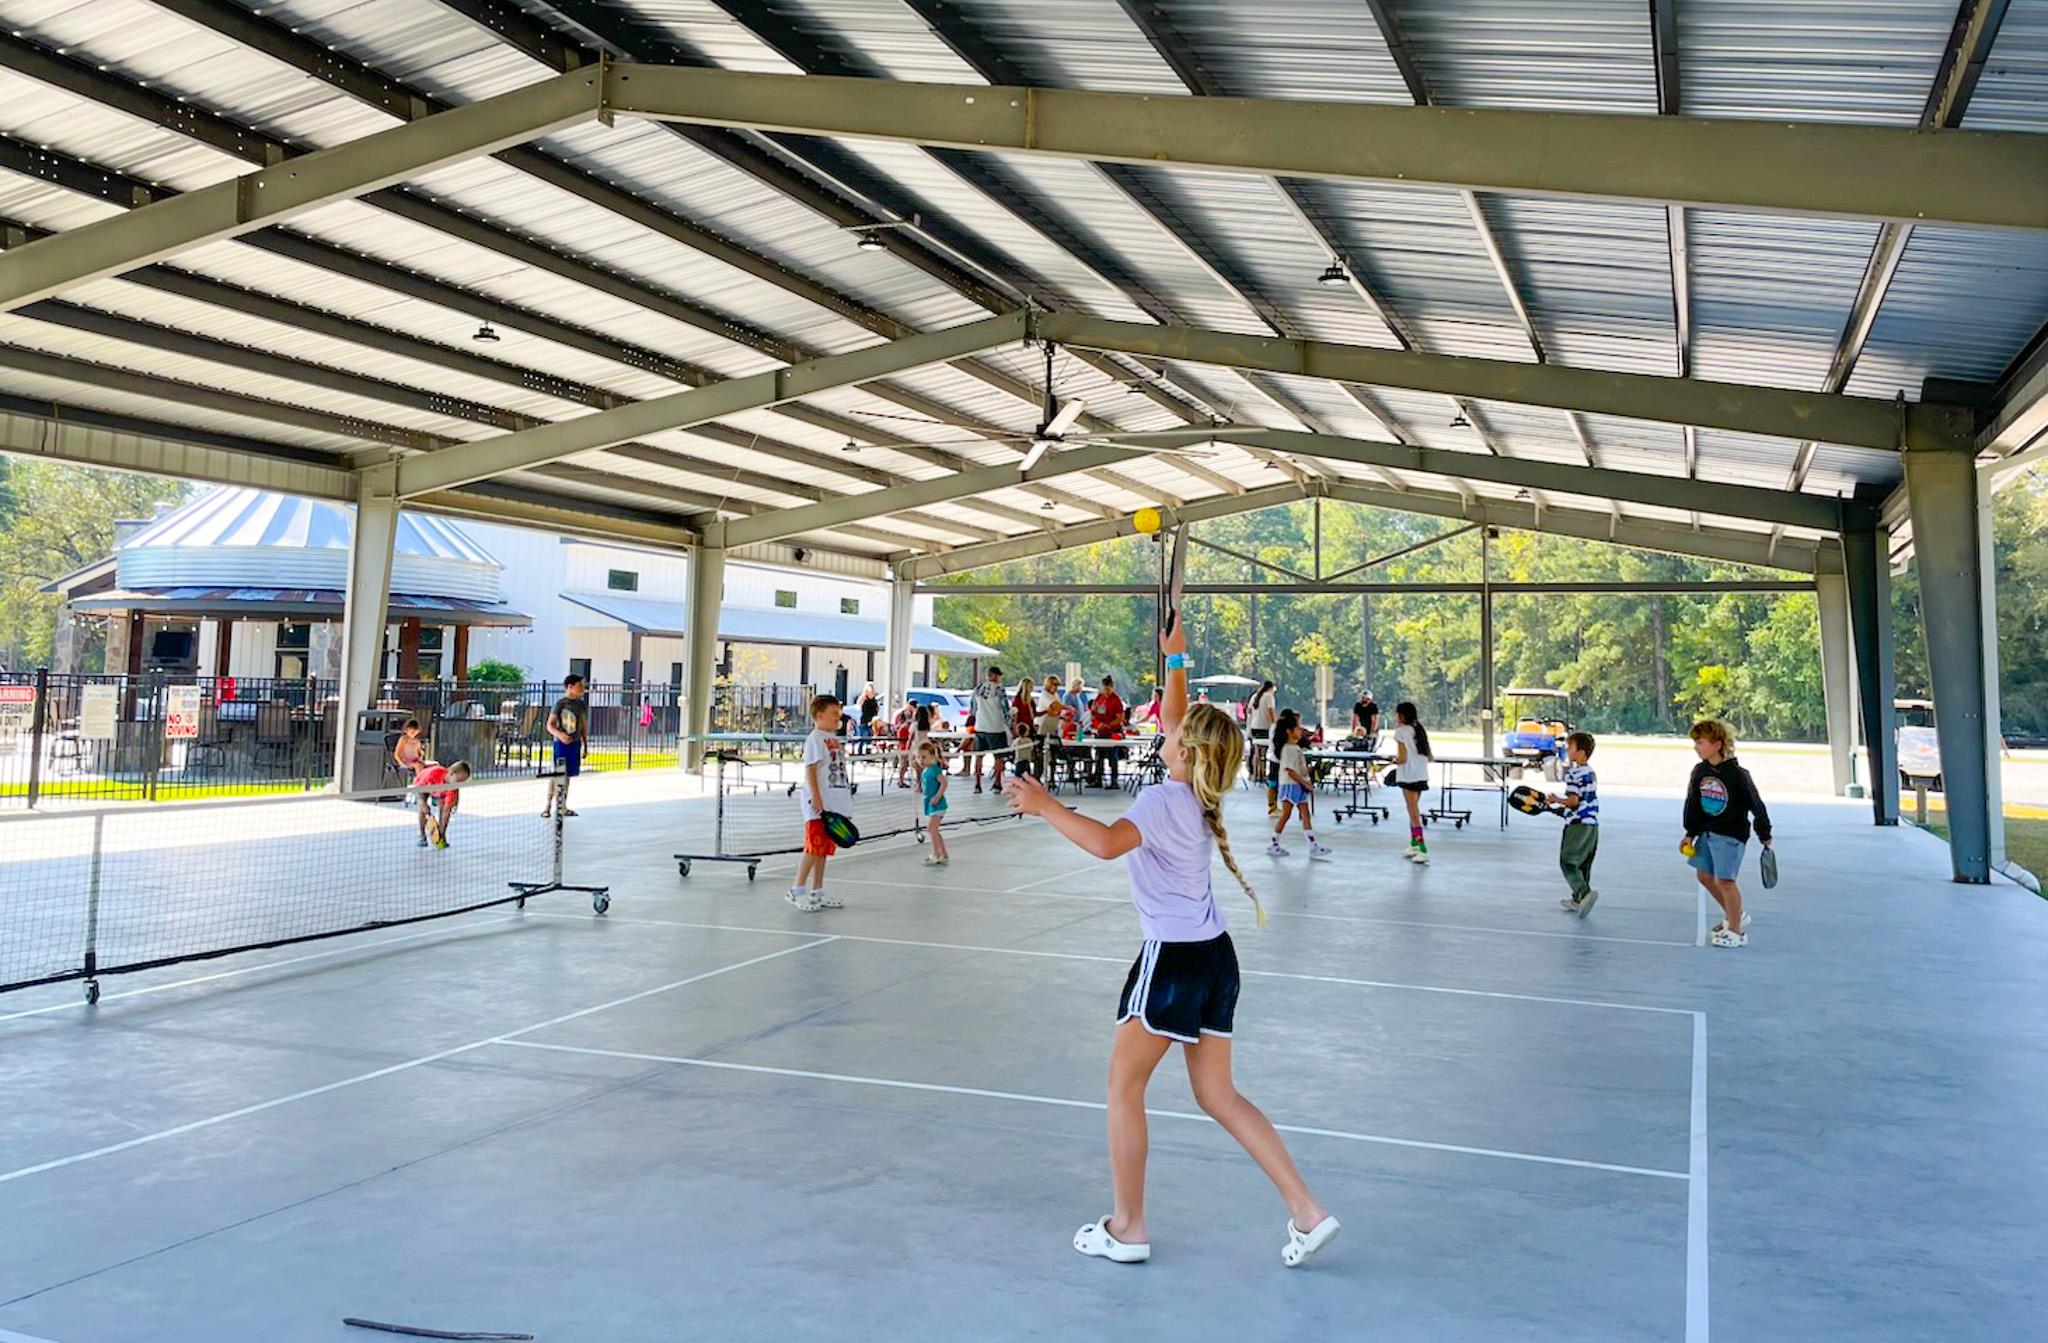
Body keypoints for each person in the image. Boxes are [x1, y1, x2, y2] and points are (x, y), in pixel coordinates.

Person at [1004, 616, 1338, 1270]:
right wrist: (1176, 659)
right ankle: (1307, 1210)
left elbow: (1105, 845)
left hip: (1174, 963)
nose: (1168, 726)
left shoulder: (1161, 799)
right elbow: (1182, 716)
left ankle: (1127, 1227)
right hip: (1216, 956)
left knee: (1122, 1088)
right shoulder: (1194, 788)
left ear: (1186, 750)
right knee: (1219, 1094)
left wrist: (1044, 805)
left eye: (1175, 731)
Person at [1683, 719, 1772, 948]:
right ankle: (1736, 915)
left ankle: (1736, 931)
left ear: (1717, 744)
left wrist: (1764, 832)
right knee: (1704, 875)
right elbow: (1693, 803)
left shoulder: (1738, 775)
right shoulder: (1700, 771)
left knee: (1726, 881)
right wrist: (1690, 833)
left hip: (1731, 835)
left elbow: (1756, 804)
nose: (1696, 747)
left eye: (1700, 742)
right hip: (1707, 834)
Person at [791, 694, 855, 913]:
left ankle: (817, 891)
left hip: (833, 804)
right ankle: (797, 889)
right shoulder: (815, 739)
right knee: (813, 847)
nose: (838, 717)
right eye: (833, 714)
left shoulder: (833, 739)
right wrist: (817, 797)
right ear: (819, 715)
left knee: (824, 849)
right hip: (817, 805)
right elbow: (810, 769)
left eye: (839, 713)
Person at [1550, 731, 1600, 917]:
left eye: (1570, 747)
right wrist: (1558, 808)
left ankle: (1583, 893)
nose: (1567, 750)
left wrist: (1557, 799)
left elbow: (1573, 801)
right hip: (1592, 824)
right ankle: (1578, 900)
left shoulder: (1573, 773)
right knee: (1584, 864)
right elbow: (1583, 800)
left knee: (1568, 862)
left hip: (1577, 825)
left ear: (1581, 752)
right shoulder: (1590, 773)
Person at [1268, 719, 1332, 859]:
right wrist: (1305, 783)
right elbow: (1290, 771)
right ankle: (1274, 843)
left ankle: (1312, 845)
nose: (1300, 731)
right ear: (1289, 732)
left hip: (1299, 785)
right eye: (1297, 729)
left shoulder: (1295, 747)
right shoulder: (1288, 749)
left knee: (1305, 814)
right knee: (1286, 815)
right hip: (1291, 785)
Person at [1392, 701, 1432, 864]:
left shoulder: (1400, 732)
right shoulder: (1419, 729)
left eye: (1397, 713)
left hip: (1408, 776)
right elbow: (1429, 755)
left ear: (1402, 715)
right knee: (1412, 811)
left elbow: (1402, 758)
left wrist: (1391, 762)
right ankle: (1414, 844)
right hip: (1421, 774)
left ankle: (1422, 848)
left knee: (1414, 813)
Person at [543, 673, 588, 819]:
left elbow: (583, 724)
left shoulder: (580, 704)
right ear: (570, 687)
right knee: (558, 774)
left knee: (567, 776)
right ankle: (548, 805)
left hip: (574, 744)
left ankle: (562, 806)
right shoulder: (561, 704)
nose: (582, 688)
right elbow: (550, 725)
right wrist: (560, 735)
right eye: (580, 685)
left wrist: (585, 743)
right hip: (561, 744)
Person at [970, 666, 1013, 793]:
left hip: (980, 727)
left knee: (979, 756)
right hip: (996, 727)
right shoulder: (1000, 690)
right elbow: (1005, 710)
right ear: (995, 676)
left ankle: (977, 784)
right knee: (998, 757)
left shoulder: (977, 689)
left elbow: (972, 709)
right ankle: (997, 783)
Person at [414, 759, 470, 849]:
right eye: (459, 781)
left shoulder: (453, 787)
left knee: (444, 810)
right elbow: (418, 788)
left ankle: (441, 835)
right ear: (451, 774)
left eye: (462, 782)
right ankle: (422, 836)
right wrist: (422, 802)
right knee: (423, 810)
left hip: (439, 791)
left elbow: (447, 809)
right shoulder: (434, 773)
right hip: (422, 786)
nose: (459, 784)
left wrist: (440, 834)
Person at [1089, 675, 1127, 787]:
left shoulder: (1116, 700)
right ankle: (1098, 779)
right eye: (1104, 689)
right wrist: (1097, 724)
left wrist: (1108, 725)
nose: (1106, 691)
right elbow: (1093, 713)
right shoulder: (1099, 698)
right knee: (1099, 756)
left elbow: (1120, 718)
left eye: (1108, 689)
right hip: (1100, 732)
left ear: (1112, 688)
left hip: (1112, 732)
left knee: (1112, 757)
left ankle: (1114, 781)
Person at [918, 739, 950, 868]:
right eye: (919, 757)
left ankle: (936, 854)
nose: (921, 760)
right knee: (934, 830)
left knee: (932, 829)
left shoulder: (934, 770)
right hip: (930, 805)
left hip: (937, 805)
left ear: (932, 756)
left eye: (924, 757)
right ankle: (944, 854)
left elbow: (944, 783)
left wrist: (937, 797)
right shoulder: (926, 771)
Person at [1246, 681, 1279, 807]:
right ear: (1271, 688)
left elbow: (1249, 711)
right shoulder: (1269, 697)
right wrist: (1275, 725)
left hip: (1254, 727)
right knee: (1265, 752)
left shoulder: (1255, 696)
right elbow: (1271, 712)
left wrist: (1256, 716)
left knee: (1257, 751)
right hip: (1265, 727)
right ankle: (1263, 773)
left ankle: (1256, 773)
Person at [1265, 709, 1297, 815]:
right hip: (1279, 759)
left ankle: (1272, 806)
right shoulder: (1281, 727)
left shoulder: (1274, 726)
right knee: (1276, 784)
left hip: (1273, 758)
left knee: (1273, 784)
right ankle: (1273, 807)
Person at [393, 718, 429, 782]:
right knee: (418, 766)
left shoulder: (417, 741)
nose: (413, 734)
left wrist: (421, 753)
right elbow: (397, 754)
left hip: (416, 760)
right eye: (412, 732)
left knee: (433, 765)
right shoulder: (404, 739)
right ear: (406, 730)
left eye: (415, 732)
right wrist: (402, 764)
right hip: (407, 762)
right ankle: (420, 783)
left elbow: (419, 752)